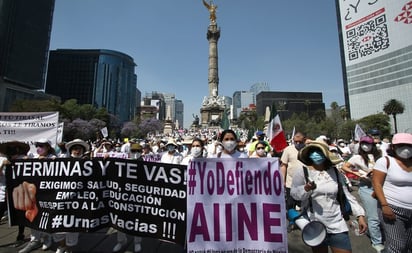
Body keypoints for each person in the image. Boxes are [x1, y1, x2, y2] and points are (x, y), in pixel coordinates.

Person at [291, 141, 367, 253]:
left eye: (318, 152)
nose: (315, 154)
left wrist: (360, 215)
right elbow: (295, 194)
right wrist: (306, 189)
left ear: (325, 154)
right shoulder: (302, 172)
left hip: (337, 223)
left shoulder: (335, 172)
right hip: (315, 224)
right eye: (312, 152)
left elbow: (346, 195)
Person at [342, 136, 384, 252]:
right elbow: (344, 167)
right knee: (373, 216)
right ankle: (377, 242)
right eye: (363, 143)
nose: (366, 146)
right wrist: (357, 173)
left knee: (385, 214)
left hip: (383, 187)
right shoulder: (357, 157)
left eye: (368, 143)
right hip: (367, 188)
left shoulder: (380, 155)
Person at [372, 132, 412, 253]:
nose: (405, 149)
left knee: (409, 246)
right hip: (393, 209)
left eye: (408, 145)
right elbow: (376, 183)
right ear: (393, 147)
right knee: (397, 246)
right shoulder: (385, 161)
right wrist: (384, 205)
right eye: (401, 145)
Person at [17, 139, 55, 253]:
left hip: (47, 193)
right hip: (34, 193)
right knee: (33, 215)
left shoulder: (53, 157)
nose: (38, 148)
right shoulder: (32, 156)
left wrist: (49, 162)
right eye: (37, 145)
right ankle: (35, 240)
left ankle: (47, 237)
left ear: (48, 147)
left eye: (41, 146)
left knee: (46, 215)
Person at [0, 141, 30, 246]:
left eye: (15, 148)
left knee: (20, 214)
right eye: (10, 148)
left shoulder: (23, 159)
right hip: (3, 193)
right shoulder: (2, 160)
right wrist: (2, 166)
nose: (12, 150)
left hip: (19, 192)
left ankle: (20, 235)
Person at [280, 132, 306, 232]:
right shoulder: (288, 150)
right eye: (296, 141)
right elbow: (283, 165)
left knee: (304, 204)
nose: (298, 143)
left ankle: (304, 222)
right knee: (290, 204)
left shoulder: (308, 149)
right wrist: (283, 180)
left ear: (305, 140)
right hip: (290, 182)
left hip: (305, 184)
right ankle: (292, 222)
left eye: (300, 141)